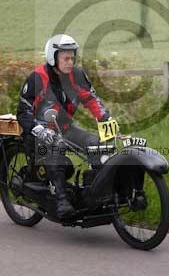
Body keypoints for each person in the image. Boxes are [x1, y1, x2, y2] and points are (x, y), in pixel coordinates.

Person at [16, 34, 117, 219]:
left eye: (72, 57)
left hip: (64, 127)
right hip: (38, 132)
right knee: (55, 156)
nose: (70, 62)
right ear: (53, 57)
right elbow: (23, 110)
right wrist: (38, 129)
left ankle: (97, 196)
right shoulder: (38, 78)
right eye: (66, 58)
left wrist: (105, 119)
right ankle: (62, 201)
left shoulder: (77, 75)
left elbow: (92, 99)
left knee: (96, 145)